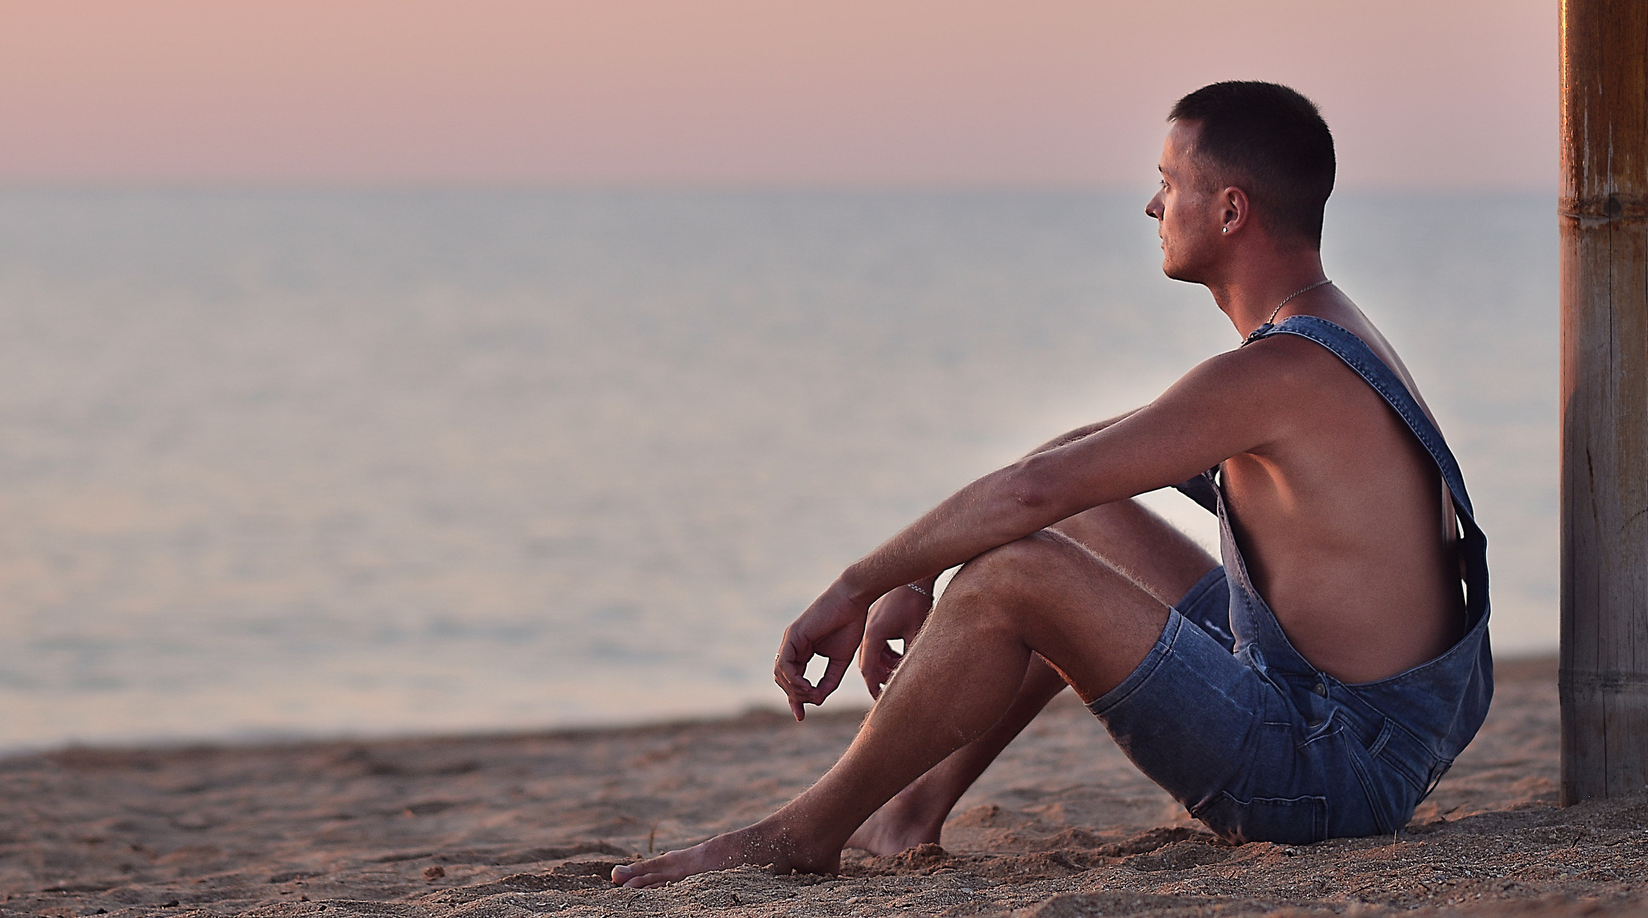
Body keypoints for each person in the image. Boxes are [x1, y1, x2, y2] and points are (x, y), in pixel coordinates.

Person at [612, 81, 1492, 888]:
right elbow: (1077, 463)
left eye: (1168, 179)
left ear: (1230, 209)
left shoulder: (1284, 370)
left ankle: (804, 832)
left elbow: (1033, 490)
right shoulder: (1321, 332)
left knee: (1015, 573)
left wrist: (855, 585)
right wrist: (914, 575)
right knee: (1083, 521)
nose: (1152, 202)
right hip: (1348, 719)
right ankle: (907, 812)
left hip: (1331, 773)